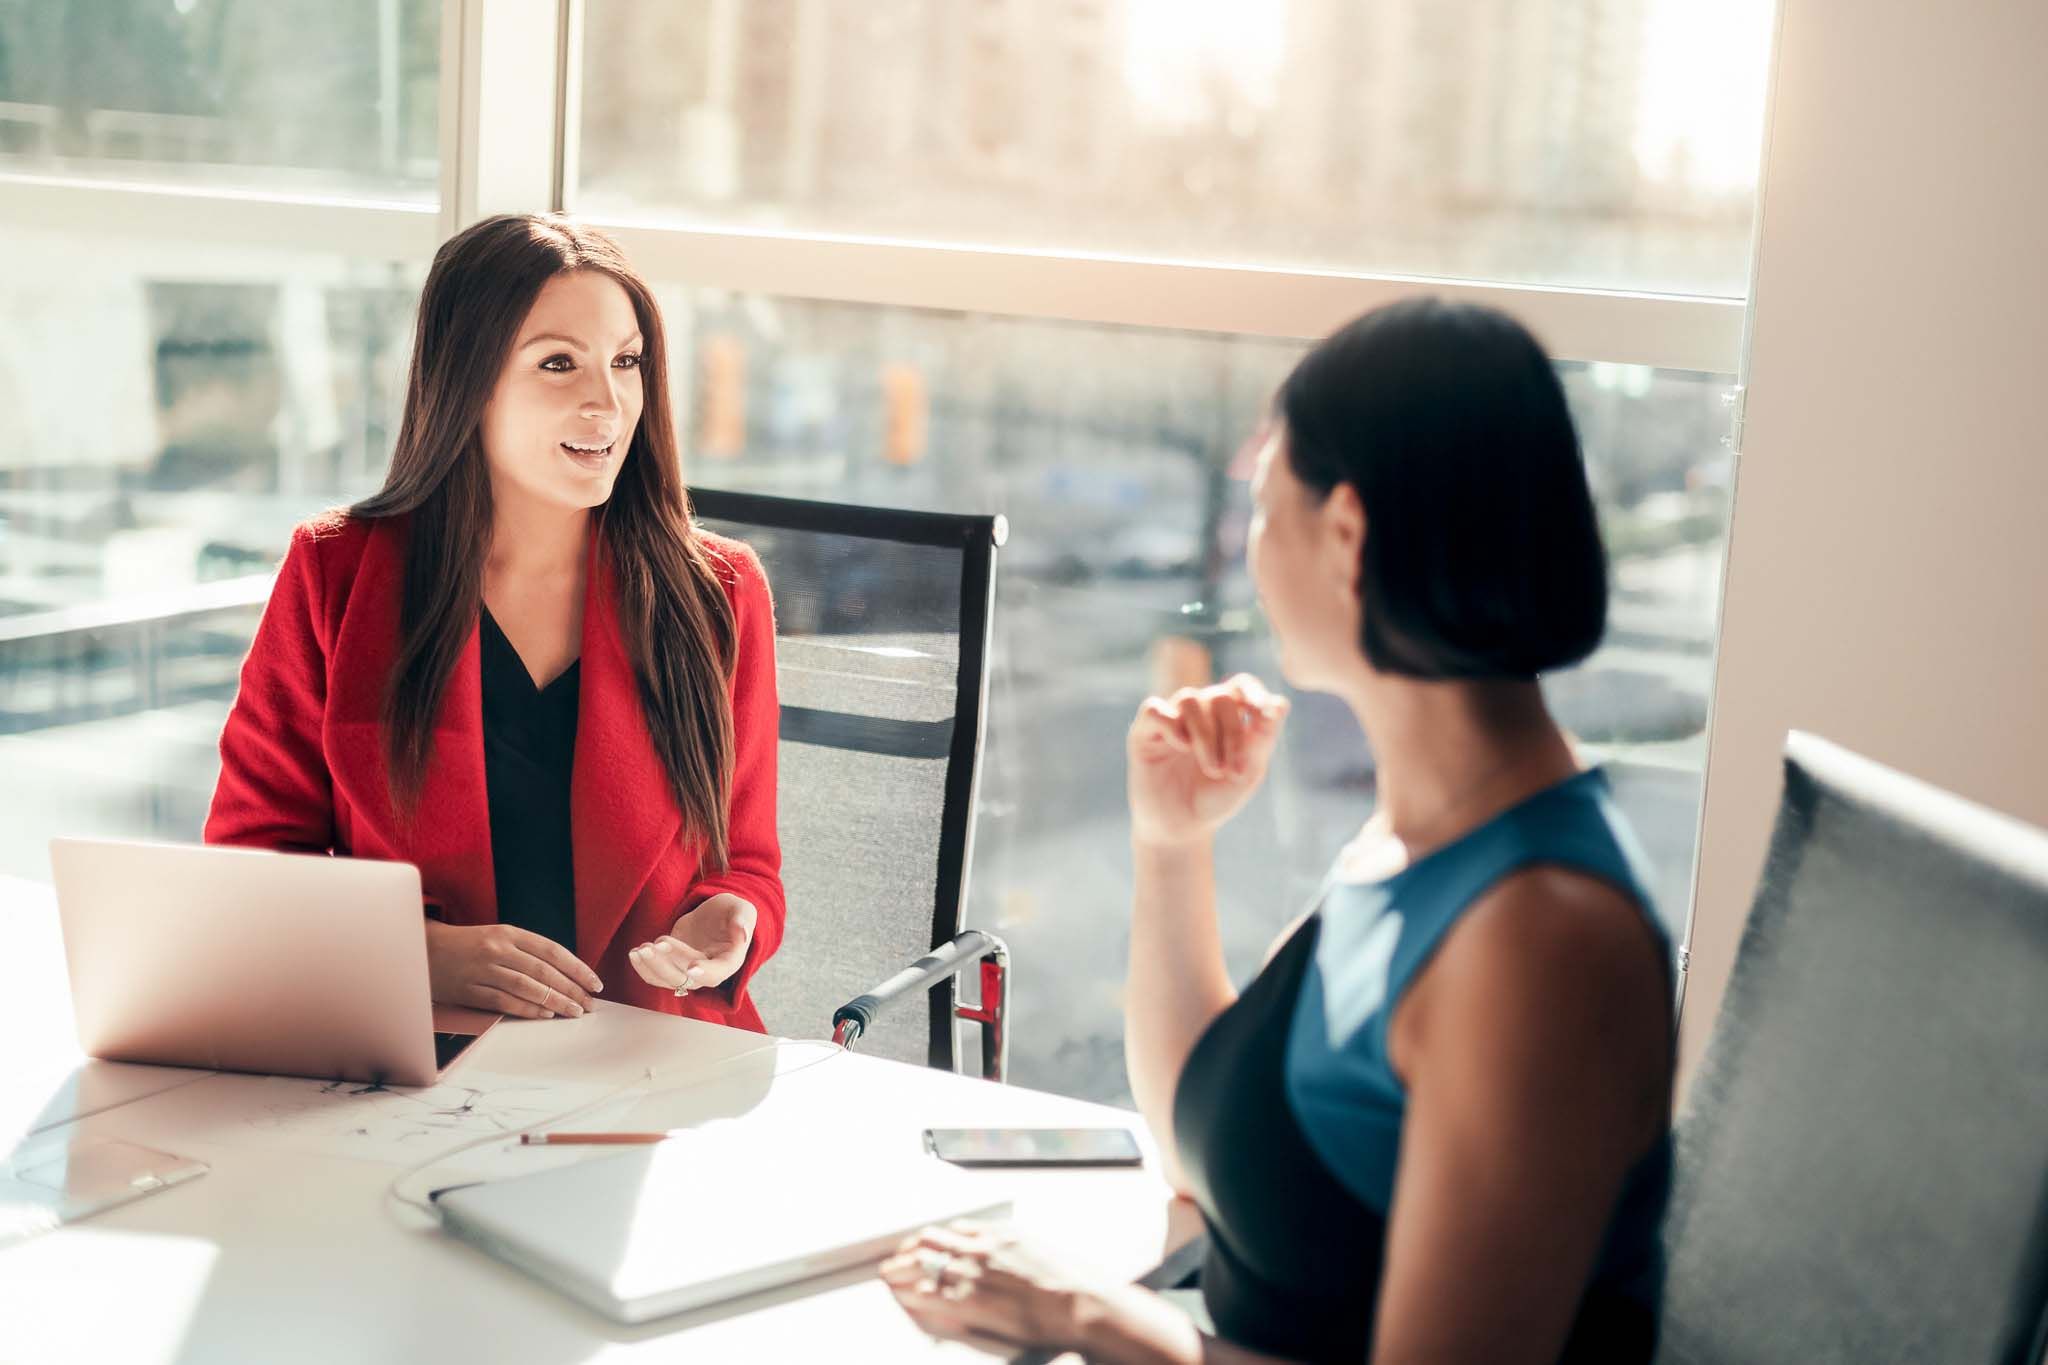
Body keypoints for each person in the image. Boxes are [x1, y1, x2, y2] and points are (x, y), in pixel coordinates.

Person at [881, 298, 1678, 1363]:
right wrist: (1171, 844)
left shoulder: (1536, 938)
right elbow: (1210, 1139)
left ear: (1345, 534)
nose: (1249, 553)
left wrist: (1082, 1314)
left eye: (1263, 510)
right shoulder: (1417, 837)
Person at [205, 214, 784, 1030]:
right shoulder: (335, 573)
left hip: (647, 1061)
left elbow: (747, 863)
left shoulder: (719, 593)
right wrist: (422, 951)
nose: (608, 401)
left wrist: (733, 919)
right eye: (559, 363)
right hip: (414, 1051)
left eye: (626, 362)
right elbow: (250, 864)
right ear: (467, 381)